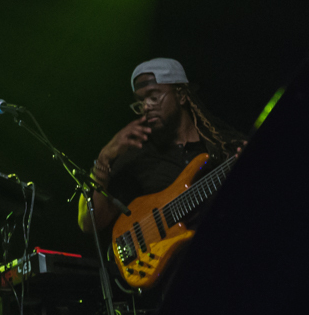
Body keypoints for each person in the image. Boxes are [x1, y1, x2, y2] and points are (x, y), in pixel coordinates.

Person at [77, 58, 244, 235]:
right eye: (140, 102)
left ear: (181, 95)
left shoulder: (224, 146)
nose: (146, 107)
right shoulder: (137, 156)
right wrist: (103, 158)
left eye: (154, 97)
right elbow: (89, 223)